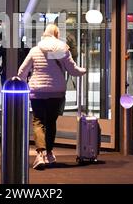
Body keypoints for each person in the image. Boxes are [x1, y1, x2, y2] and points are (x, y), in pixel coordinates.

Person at [17, 24, 86, 170]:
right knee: (51, 122)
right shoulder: (61, 50)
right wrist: (84, 70)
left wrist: (22, 82)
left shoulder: (35, 50)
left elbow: (22, 70)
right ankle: (49, 153)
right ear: (56, 34)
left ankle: (40, 154)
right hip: (56, 92)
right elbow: (72, 70)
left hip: (37, 92)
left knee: (38, 121)